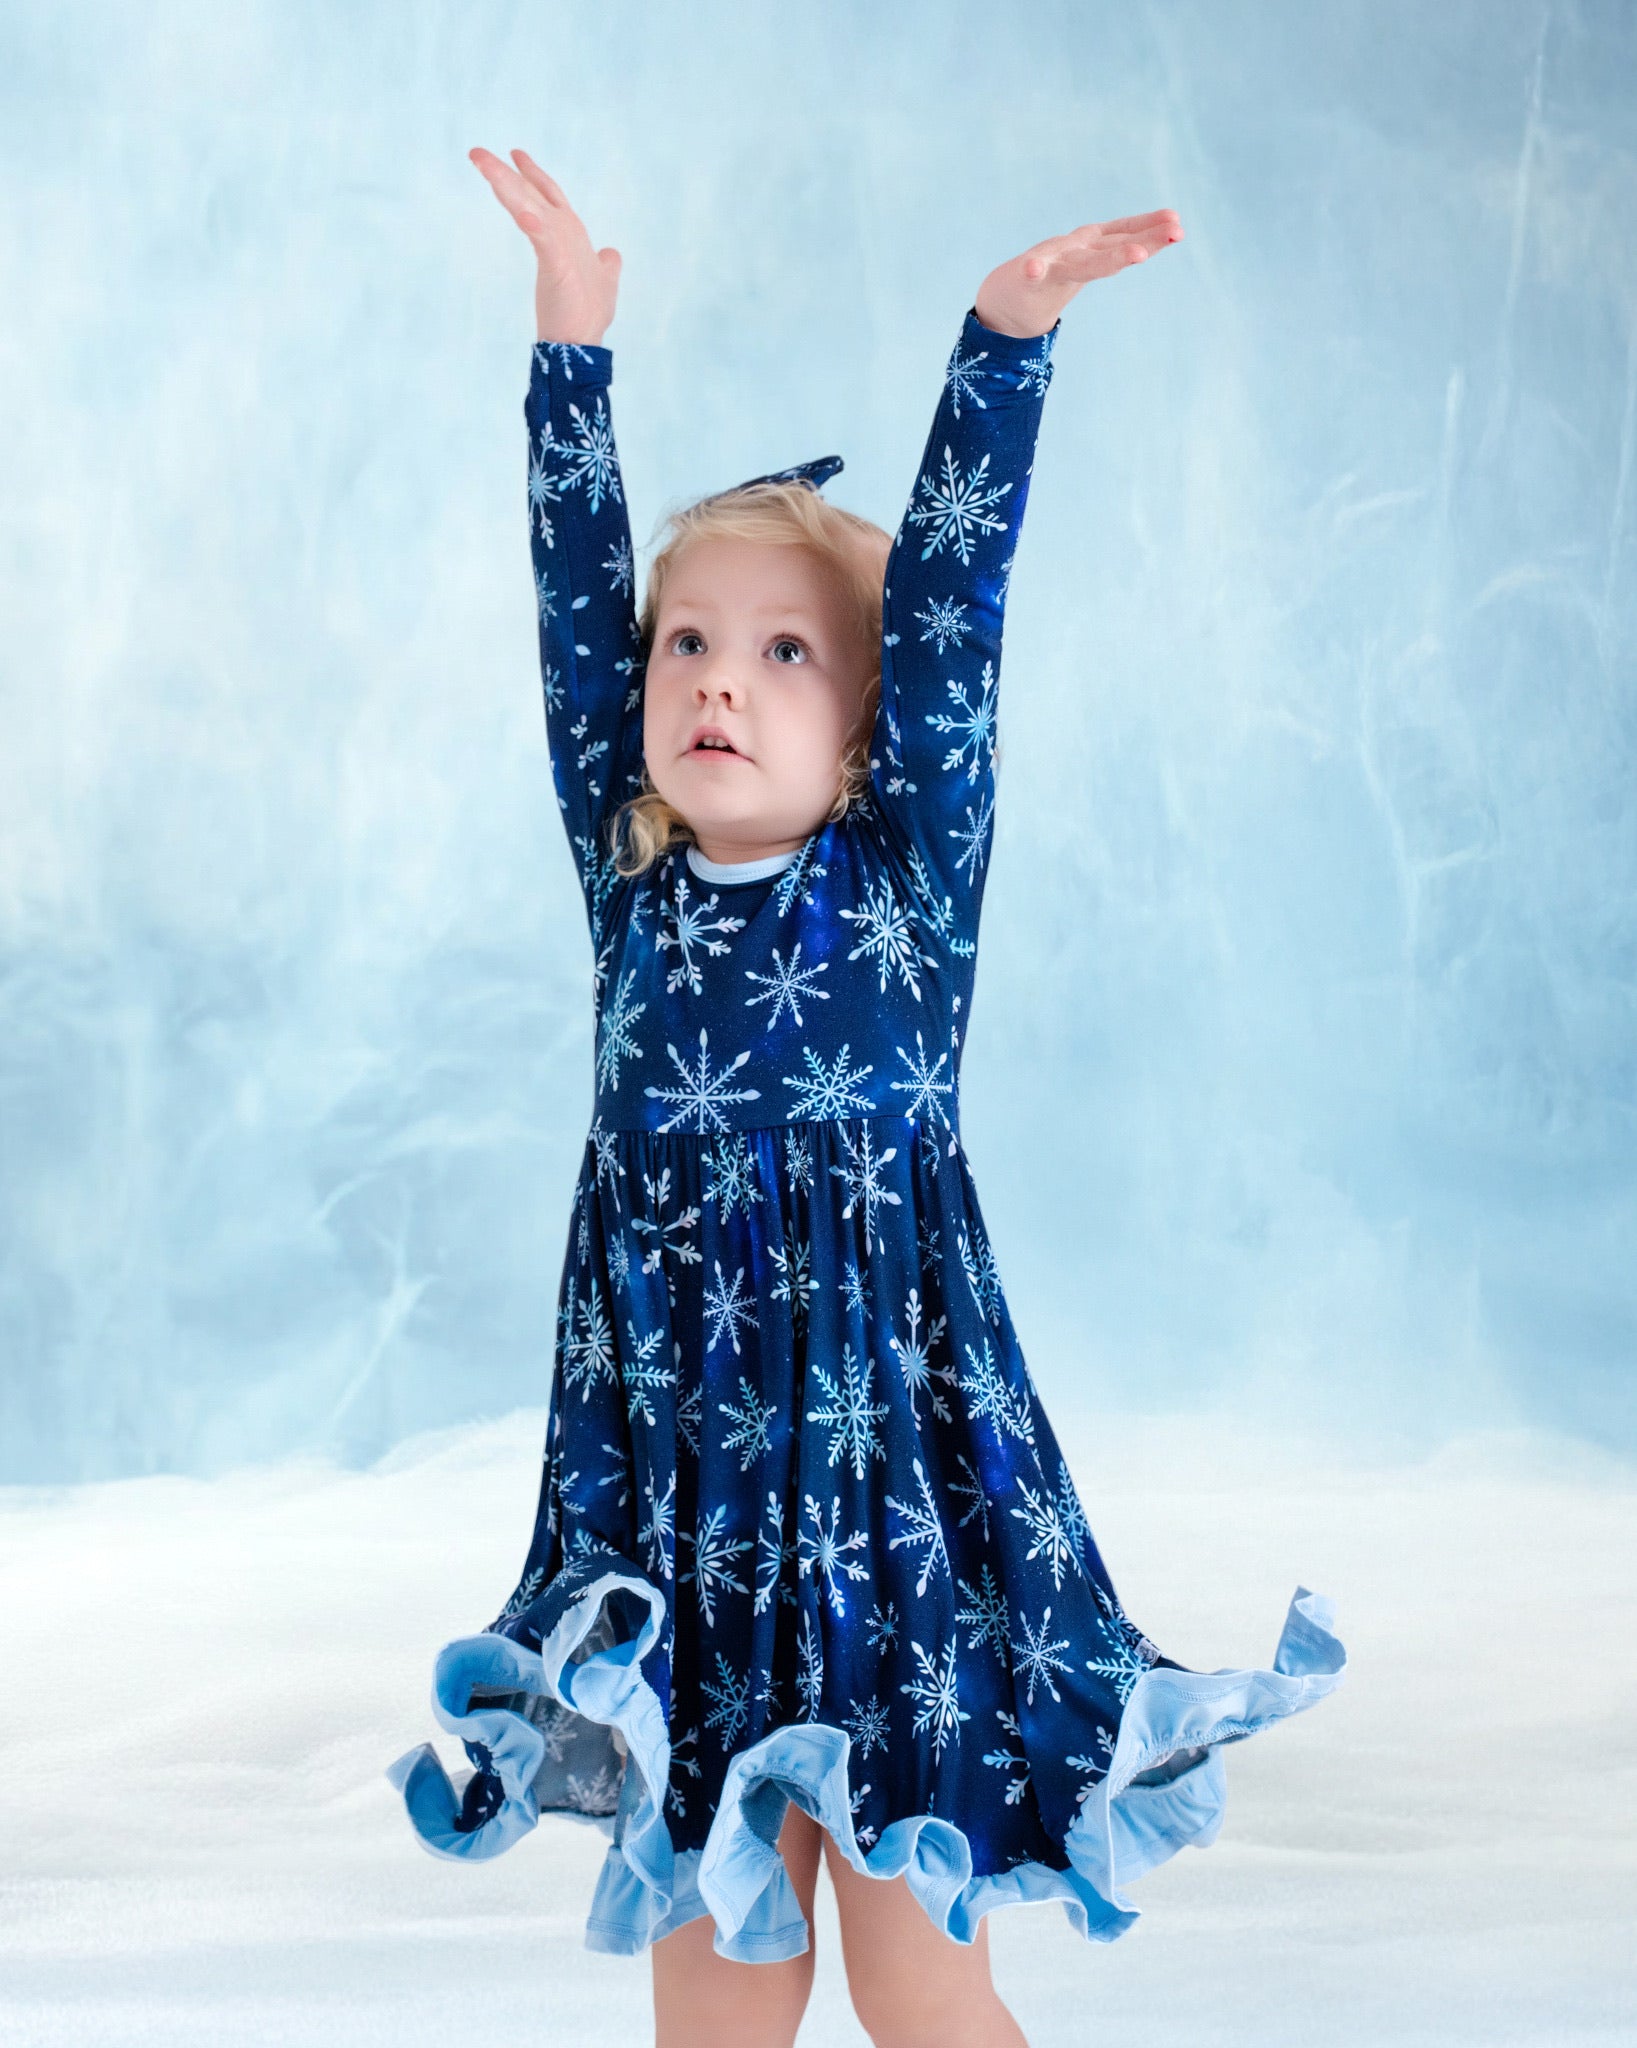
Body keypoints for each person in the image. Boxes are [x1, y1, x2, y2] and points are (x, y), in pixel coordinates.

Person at [385, 148, 1347, 2048]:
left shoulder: (903, 883)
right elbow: (575, 600)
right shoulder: (631, 883)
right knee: (720, 1968)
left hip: (891, 1511)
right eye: (687, 644)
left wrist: (1003, 341)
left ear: (865, 729)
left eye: (782, 652)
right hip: (683, 1515)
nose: (714, 683)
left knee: (916, 1973)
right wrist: (569, 351)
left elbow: (959, 606)